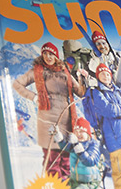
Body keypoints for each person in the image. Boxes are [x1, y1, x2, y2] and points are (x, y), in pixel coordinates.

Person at [11, 41, 85, 180]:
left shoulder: (64, 71)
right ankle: (55, 188)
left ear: (56, 56)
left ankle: (67, 188)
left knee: (66, 157)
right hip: (48, 120)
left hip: (67, 120)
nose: (48, 56)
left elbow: (80, 92)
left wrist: (82, 78)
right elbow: (17, 84)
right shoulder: (37, 71)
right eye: (45, 53)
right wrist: (34, 97)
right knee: (52, 158)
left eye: (51, 54)